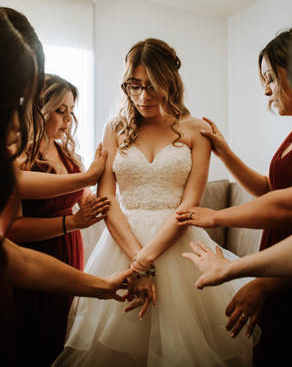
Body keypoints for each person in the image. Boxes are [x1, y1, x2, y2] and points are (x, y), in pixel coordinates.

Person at [54, 38, 255, 367]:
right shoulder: (115, 129)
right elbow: (107, 199)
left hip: (179, 242)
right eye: (134, 85)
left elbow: (190, 205)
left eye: (153, 86)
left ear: (170, 82)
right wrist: (137, 263)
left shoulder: (197, 129)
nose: (143, 96)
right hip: (121, 246)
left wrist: (145, 263)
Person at [0, 9, 133, 366]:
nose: (16, 123)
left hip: (62, 256)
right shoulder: (20, 156)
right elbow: (15, 240)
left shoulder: (62, 151)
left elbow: (11, 258)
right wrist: (82, 191)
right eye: (14, 102)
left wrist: (100, 285)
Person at [177, 28, 292, 366]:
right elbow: (271, 191)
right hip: (277, 263)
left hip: (288, 276)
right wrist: (225, 153)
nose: (266, 91)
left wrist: (216, 216)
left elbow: (290, 207)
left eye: (271, 78)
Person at [7, 74, 111, 366]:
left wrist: (114, 188)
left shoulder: (66, 152)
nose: (68, 119)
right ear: (39, 110)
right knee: (34, 337)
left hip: (70, 249)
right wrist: (71, 224)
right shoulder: (18, 158)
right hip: (34, 254)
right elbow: (13, 229)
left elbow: (84, 199)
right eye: (60, 110)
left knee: (63, 333)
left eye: (72, 111)